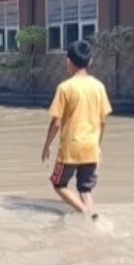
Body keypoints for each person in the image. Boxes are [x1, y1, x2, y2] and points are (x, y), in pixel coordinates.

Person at [41, 40, 112, 220]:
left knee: (58, 183)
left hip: (70, 148)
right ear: (90, 62)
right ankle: (92, 215)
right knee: (85, 188)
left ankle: (83, 211)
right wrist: (97, 144)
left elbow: (56, 122)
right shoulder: (99, 87)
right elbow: (103, 122)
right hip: (91, 148)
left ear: (68, 61)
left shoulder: (65, 88)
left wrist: (46, 146)